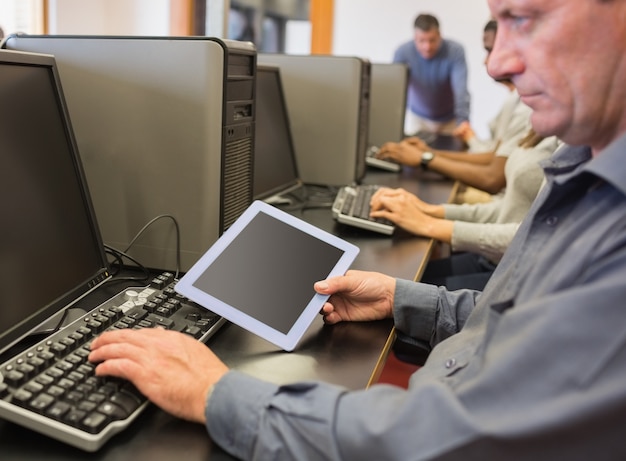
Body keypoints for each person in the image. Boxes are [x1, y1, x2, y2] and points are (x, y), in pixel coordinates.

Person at [89, 1, 626, 459]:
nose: (499, 64)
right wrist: (403, 298)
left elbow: (450, 439)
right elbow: (517, 325)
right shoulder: (583, 169)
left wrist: (216, 392)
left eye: (525, 18)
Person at [370, 129, 560, 291]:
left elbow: (533, 236)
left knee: (395, 288)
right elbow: (512, 206)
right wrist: (432, 210)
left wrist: (429, 224)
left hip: (514, 271)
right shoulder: (543, 128)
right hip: (496, 258)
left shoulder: (568, 146)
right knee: (392, 278)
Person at [380, 19, 533, 197]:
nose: (485, 61)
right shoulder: (514, 100)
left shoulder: (523, 106)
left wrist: (426, 157)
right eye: (421, 41)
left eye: (490, 51)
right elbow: (493, 156)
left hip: (450, 118)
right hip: (419, 115)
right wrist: (428, 152)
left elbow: (492, 175)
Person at [392, 13, 470, 136]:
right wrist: (395, 122)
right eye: (422, 40)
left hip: (450, 120)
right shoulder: (402, 53)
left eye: (432, 40)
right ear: (415, 37)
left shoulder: (455, 51)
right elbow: (397, 91)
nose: (427, 47)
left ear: (440, 35)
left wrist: (463, 121)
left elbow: (461, 89)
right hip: (419, 119)